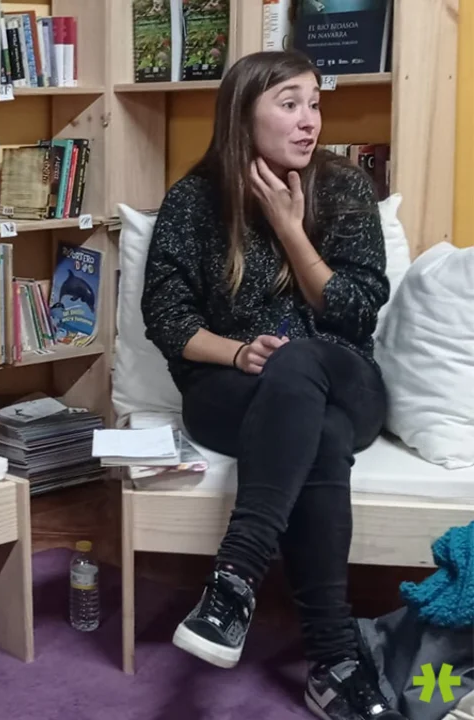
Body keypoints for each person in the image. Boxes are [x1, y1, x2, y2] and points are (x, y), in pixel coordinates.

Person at [142, 50, 399, 720]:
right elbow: (166, 318)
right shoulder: (193, 201)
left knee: (303, 363)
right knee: (321, 432)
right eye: (290, 104)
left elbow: (355, 310)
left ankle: (234, 578)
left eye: (314, 103)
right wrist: (237, 353)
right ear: (242, 114)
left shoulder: (343, 188)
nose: (309, 120)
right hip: (232, 389)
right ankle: (333, 659)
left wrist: (290, 228)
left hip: (343, 377)